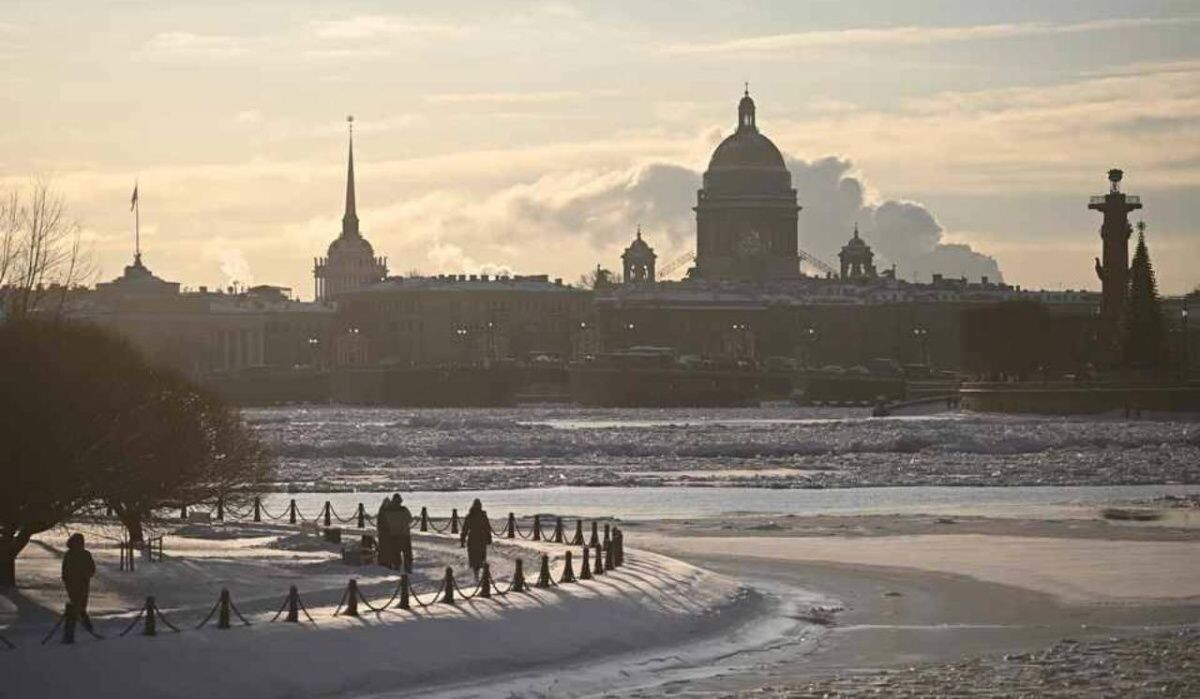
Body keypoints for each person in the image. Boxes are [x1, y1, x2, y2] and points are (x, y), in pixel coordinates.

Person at [61, 533, 96, 633]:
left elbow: (92, 568)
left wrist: (87, 575)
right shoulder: (69, 554)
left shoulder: (86, 554)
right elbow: (65, 569)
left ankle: (81, 624)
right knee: (76, 605)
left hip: (83, 583)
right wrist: (66, 580)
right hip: (72, 583)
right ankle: (84, 625)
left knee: (81, 605)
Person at [459, 498, 492, 581]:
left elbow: (465, 529)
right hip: (480, 539)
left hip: (473, 539)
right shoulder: (482, 516)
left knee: (475, 558)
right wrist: (489, 538)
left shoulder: (470, 516)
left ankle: (476, 575)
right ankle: (481, 575)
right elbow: (487, 528)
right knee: (480, 557)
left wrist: (462, 540)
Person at [385, 493, 413, 574]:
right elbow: (410, 519)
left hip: (393, 535)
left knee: (395, 553)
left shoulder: (388, 511)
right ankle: (408, 569)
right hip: (404, 535)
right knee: (407, 553)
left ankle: (396, 569)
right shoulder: (404, 510)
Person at [375, 495, 395, 569]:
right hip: (385, 532)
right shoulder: (385, 511)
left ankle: (386, 562)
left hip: (385, 533)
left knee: (386, 548)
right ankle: (385, 562)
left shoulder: (383, 510)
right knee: (385, 548)